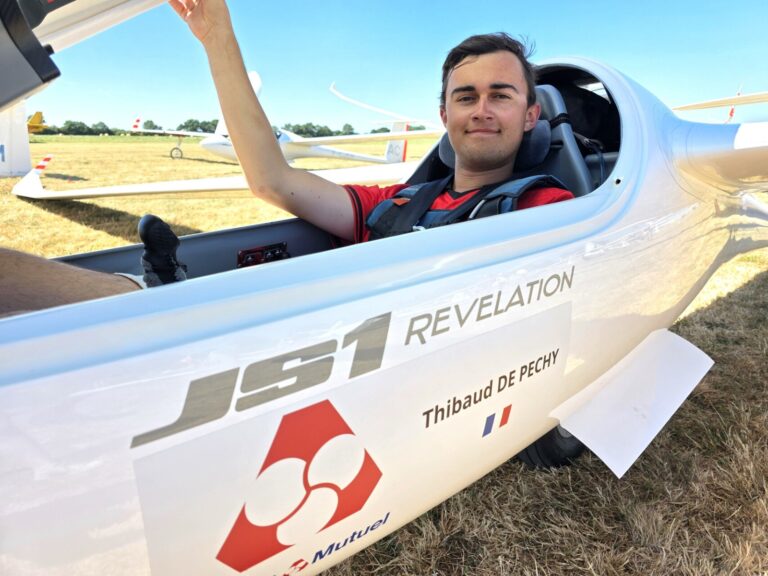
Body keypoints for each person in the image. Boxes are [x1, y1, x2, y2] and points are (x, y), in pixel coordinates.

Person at [0, 0, 572, 318]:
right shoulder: (395, 204)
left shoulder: (549, 208)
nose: (481, 110)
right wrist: (218, 39)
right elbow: (272, 180)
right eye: (465, 97)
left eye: (501, 95)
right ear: (444, 114)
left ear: (530, 115)